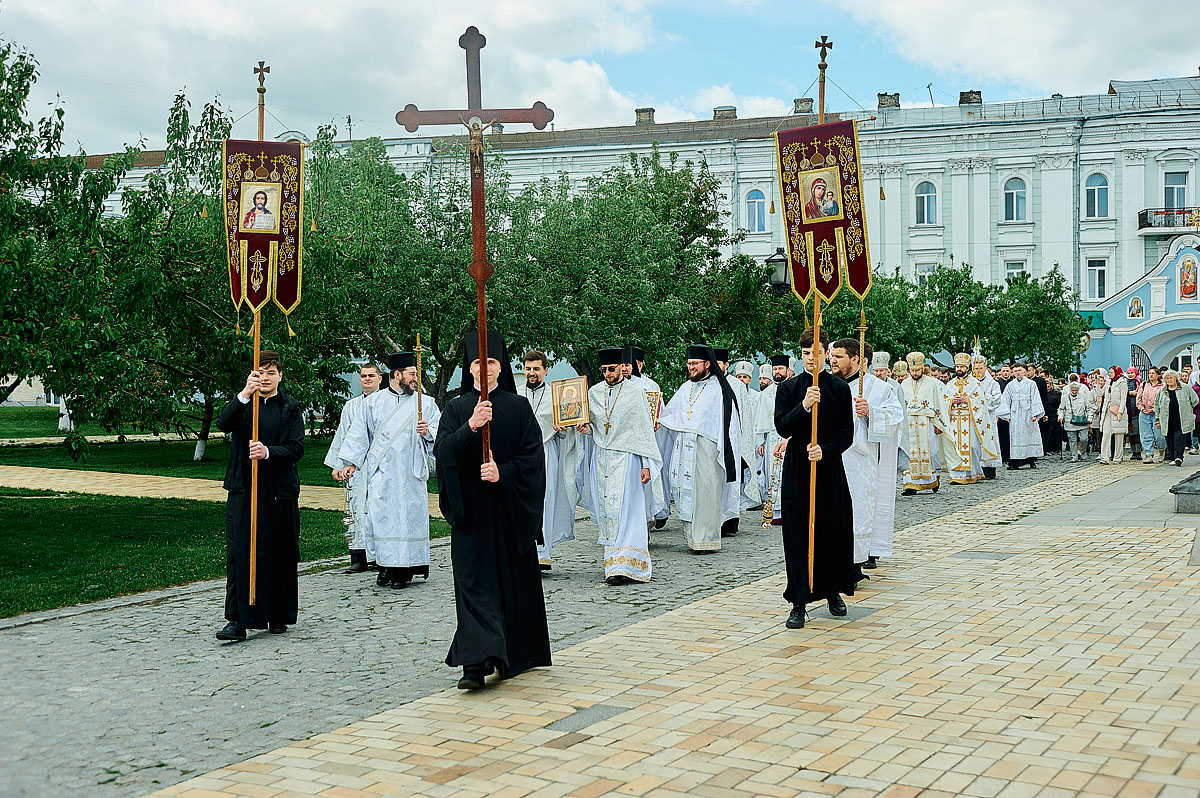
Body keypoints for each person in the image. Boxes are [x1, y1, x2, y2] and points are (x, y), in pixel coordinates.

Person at [434, 330, 550, 690]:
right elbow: (442, 453)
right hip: (471, 515)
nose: (485, 369)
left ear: (501, 368)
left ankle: (508, 654)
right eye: (477, 363)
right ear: (469, 369)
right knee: (473, 586)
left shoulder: (518, 408)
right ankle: (473, 664)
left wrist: (504, 472)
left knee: (508, 584)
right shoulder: (455, 408)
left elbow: (532, 459)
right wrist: (471, 427)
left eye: (492, 362)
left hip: (507, 512)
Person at [215, 351, 304, 642]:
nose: (265, 378)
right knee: (241, 553)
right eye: (260, 373)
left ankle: (277, 613)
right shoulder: (244, 405)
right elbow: (223, 424)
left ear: (280, 376)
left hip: (279, 492)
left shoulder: (290, 407)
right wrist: (244, 393)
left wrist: (268, 452)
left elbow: (296, 449)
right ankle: (238, 619)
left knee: (279, 551)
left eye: (271, 373)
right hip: (245, 489)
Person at [774, 326, 855, 629]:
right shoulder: (789, 389)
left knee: (831, 529)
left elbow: (847, 433)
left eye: (817, 352)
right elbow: (783, 427)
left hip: (828, 467)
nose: (811, 358)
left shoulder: (839, 388)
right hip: (798, 467)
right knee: (797, 534)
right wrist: (805, 405)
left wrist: (826, 450)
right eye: (806, 353)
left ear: (825, 353)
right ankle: (798, 600)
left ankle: (832, 590)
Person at [340, 352, 442, 589]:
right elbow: (359, 434)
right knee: (382, 519)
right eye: (412, 374)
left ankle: (406, 569)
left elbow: (440, 434)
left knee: (409, 518)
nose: (416, 378)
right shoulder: (374, 402)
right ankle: (386, 565)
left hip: (411, 473)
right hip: (382, 472)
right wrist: (351, 462)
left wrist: (427, 431)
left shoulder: (425, 403)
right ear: (397, 375)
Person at [578, 347, 661, 584]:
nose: (607, 373)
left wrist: (646, 464)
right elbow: (593, 424)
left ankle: (631, 566)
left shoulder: (635, 392)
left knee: (629, 512)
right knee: (608, 513)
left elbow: (643, 431)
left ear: (623, 368)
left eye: (611, 369)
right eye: (603, 370)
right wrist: (586, 428)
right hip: (602, 459)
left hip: (628, 460)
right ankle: (612, 565)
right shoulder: (594, 392)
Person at [830, 338, 903, 574]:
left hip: (860, 462)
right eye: (832, 356)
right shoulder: (827, 385)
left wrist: (871, 411)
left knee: (858, 508)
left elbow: (895, 419)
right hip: (829, 458)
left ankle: (857, 560)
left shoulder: (879, 388)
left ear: (857, 360)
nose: (832, 360)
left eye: (838, 357)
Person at [659, 345, 741, 552]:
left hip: (707, 449)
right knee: (688, 491)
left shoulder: (719, 390)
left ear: (707, 364)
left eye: (695, 364)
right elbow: (671, 413)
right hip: (685, 448)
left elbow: (728, 425)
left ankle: (707, 538)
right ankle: (693, 538)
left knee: (705, 491)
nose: (691, 368)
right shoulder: (685, 387)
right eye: (689, 364)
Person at [518, 350, 581, 571]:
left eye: (536, 369)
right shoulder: (515, 394)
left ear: (546, 370)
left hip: (546, 453)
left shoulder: (558, 395)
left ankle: (543, 553)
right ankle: (522, 552)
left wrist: (562, 430)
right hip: (520, 455)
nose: (532, 373)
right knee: (520, 501)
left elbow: (567, 433)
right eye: (528, 368)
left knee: (547, 498)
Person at [324, 362, 383, 573]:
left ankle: (379, 557)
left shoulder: (386, 403)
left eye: (371, 376)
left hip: (378, 466)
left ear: (380, 379)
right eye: (363, 376)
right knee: (355, 509)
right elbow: (343, 435)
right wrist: (338, 465)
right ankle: (358, 556)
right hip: (355, 467)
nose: (367, 379)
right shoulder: (351, 406)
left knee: (377, 510)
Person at [939, 352, 995, 484]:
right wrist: (951, 401)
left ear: (967, 367)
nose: (959, 369)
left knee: (973, 447)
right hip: (954, 420)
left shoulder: (975, 383)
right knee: (955, 447)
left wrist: (966, 400)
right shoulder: (950, 384)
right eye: (957, 366)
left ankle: (973, 473)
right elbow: (943, 401)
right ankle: (957, 476)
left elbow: (981, 402)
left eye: (962, 367)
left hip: (970, 420)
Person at [899, 351, 949, 495]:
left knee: (931, 453)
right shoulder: (904, 383)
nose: (915, 373)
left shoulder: (932, 383)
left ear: (923, 369)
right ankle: (910, 484)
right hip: (909, 424)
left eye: (917, 370)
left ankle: (933, 480)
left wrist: (939, 424)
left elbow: (939, 404)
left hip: (927, 423)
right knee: (910, 453)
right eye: (912, 370)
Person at [754, 354, 792, 524]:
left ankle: (788, 510)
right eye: (775, 369)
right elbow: (759, 416)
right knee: (772, 472)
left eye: (780, 369)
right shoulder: (766, 392)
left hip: (789, 436)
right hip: (771, 437)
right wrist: (760, 441)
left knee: (788, 473)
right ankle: (774, 511)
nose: (777, 372)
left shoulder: (794, 388)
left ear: (787, 370)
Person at [999, 363, 1045, 469]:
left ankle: (1031, 460)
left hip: (1028, 413)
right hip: (1015, 414)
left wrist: (1035, 414)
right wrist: (1006, 414)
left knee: (1029, 436)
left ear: (1024, 371)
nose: (1017, 373)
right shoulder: (1010, 385)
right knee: (1016, 437)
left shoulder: (1031, 383)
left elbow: (1035, 399)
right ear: (1012, 373)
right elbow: (1005, 400)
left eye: (1019, 370)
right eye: (1015, 371)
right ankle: (1015, 461)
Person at [730, 360, 761, 511]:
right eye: (739, 377)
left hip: (753, 437)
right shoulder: (730, 394)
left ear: (750, 379)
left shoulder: (757, 397)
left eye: (745, 377)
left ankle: (750, 497)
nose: (742, 380)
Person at [1155, 369, 1199, 467]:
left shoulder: (1185, 388)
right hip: (1167, 418)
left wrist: (1188, 410)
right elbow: (1157, 405)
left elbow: (1195, 400)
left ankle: (1178, 457)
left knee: (1179, 437)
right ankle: (1172, 457)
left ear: (1176, 379)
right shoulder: (1162, 391)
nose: (1169, 380)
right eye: (1167, 378)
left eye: (1171, 378)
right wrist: (1157, 419)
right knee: (1169, 438)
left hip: (1182, 418)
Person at [971, 348, 1003, 479]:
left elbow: (996, 400)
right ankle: (975, 469)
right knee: (974, 442)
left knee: (989, 440)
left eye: (980, 368)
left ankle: (989, 469)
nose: (978, 371)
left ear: (985, 368)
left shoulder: (992, 383)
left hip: (987, 417)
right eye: (975, 368)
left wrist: (983, 397)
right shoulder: (969, 383)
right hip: (973, 417)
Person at [1058, 375, 1093, 461]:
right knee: (1072, 439)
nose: (1074, 392)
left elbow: (1089, 408)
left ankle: (1083, 452)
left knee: (1084, 438)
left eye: (1076, 390)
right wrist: (1060, 417)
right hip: (1069, 421)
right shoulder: (1065, 397)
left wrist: (1090, 418)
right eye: (1072, 390)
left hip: (1082, 420)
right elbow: (1061, 409)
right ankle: (1074, 455)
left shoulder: (1083, 396)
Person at [1099, 365, 1128, 464]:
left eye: (1112, 372)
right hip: (1108, 410)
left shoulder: (1122, 383)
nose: (1110, 374)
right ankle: (1104, 457)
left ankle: (1118, 457)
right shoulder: (1108, 382)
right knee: (1106, 433)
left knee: (1118, 434)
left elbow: (1124, 399)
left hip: (1117, 410)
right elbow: (1102, 394)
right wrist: (1098, 384)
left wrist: (1120, 412)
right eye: (1109, 372)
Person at [1136, 366, 1165, 464]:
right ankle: (1148, 454)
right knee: (1145, 435)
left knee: (1159, 435)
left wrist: (1154, 409)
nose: (1151, 375)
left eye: (1153, 373)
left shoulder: (1162, 386)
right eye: (1150, 373)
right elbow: (1138, 399)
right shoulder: (1144, 384)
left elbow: (1164, 400)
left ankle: (1161, 451)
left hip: (1157, 413)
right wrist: (1142, 408)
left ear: (1158, 375)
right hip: (1144, 412)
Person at [1125, 367, 1143, 461]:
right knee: (1131, 433)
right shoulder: (1125, 382)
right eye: (1129, 373)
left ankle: (1138, 452)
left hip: (1137, 410)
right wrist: (1130, 393)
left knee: (1137, 432)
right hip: (1128, 410)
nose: (1130, 374)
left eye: (1132, 373)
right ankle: (1133, 452)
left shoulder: (1139, 382)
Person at [996, 363, 1013, 464]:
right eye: (1004, 371)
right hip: (1001, 414)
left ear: (1010, 372)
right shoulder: (997, 384)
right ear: (1001, 372)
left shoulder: (1013, 383)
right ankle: (1003, 455)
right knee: (1002, 435)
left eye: (1007, 371)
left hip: (1012, 413)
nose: (1006, 373)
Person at [1088, 371, 1106, 456]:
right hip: (1096, 414)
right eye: (1100, 381)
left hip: (1105, 414)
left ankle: (1103, 449)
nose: (1101, 383)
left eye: (1103, 381)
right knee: (1097, 433)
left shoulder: (1107, 389)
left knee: (1103, 433)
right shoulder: (1092, 391)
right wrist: (1097, 409)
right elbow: (1090, 402)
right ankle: (1099, 448)